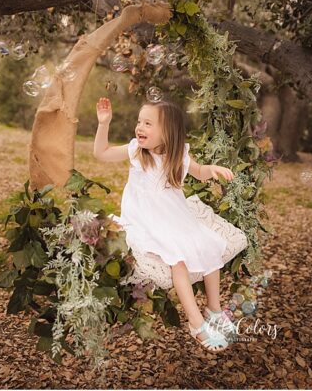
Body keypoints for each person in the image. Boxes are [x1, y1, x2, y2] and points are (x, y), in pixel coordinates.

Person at [93, 97, 240, 352]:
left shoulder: (179, 153)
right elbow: (101, 153)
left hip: (174, 214)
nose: (140, 127)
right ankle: (196, 322)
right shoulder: (136, 152)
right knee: (178, 259)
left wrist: (213, 169)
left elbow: (200, 171)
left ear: (167, 131)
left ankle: (214, 309)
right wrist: (103, 124)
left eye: (148, 123)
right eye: (140, 122)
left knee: (209, 246)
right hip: (146, 219)